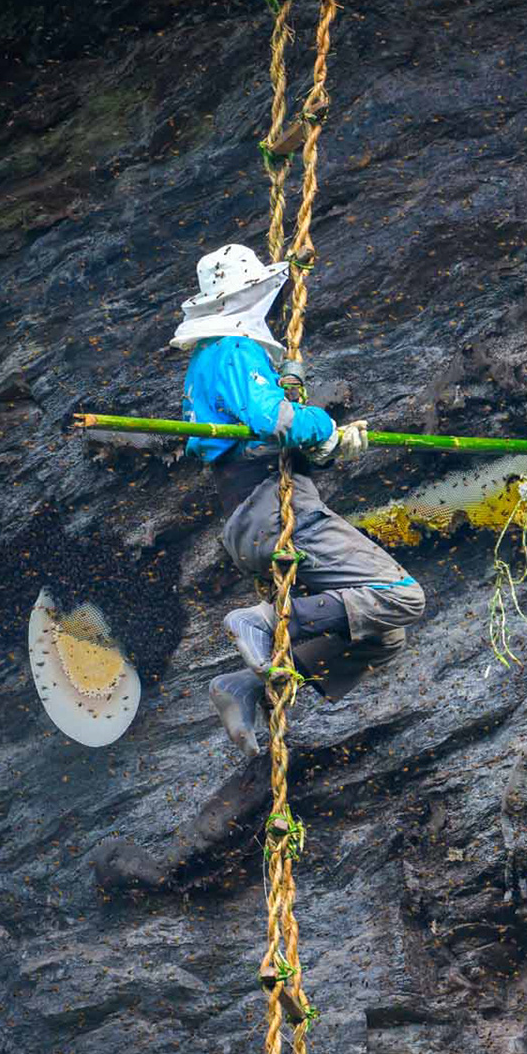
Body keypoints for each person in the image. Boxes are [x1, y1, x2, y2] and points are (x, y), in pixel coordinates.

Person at [172, 243, 426, 755]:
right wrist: (325, 427)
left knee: (381, 636)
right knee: (403, 596)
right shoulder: (233, 349)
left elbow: (271, 441)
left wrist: (332, 450)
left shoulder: (207, 362)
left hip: (250, 520)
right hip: (272, 508)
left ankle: (249, 689)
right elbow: (277, 420)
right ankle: (261, 621)